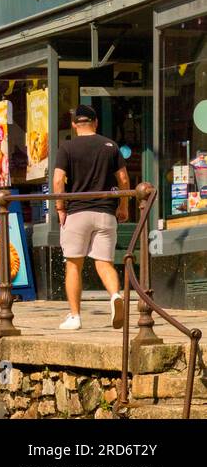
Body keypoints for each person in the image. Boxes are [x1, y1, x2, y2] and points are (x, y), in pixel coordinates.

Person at [53, 104, 130, 331]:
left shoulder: (67, 147)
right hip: (106, 212)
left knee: (73, 265)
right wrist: (123, 206)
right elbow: (124, 180)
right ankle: (115, 295)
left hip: (77, 212)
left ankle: (75, 316)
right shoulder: (110, 146)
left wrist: (60, 208)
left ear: (75, 125)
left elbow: (58, 180)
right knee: (104, 263)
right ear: (95, 123)